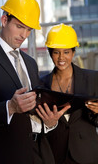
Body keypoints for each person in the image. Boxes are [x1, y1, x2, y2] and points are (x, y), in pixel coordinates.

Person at [0, 0, 70, 164]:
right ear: (4, 20)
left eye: (29, 29)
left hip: (37, 154)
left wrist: (50, 121)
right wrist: (10, 107)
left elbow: (36, 108)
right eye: (19, 26)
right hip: (4, 156)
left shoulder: (30, 63)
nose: (24, 35)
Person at [38, 23, 98, 164]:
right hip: (55, 154)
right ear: (50, 53)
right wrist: (47, 123)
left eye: (66, 52)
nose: (61, 58)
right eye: (56, 52)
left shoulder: (93, 79)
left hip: (86, 154)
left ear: (73, 52)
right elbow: (37, 125)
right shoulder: (42, 85)